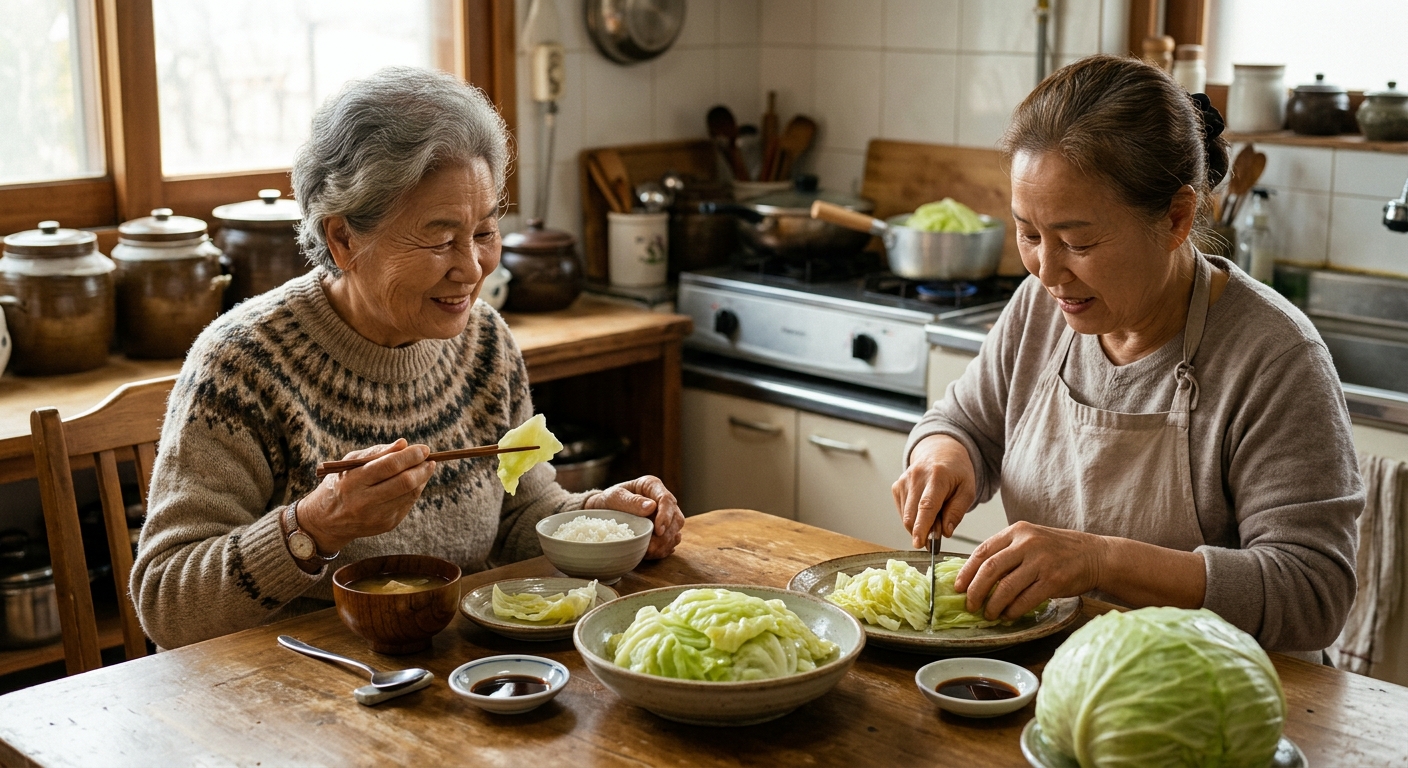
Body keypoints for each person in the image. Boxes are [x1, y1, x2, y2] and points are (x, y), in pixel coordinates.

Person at [131, 67, 683, 649]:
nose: (471, 269)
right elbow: (166, 603)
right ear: (343, 240)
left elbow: (521, 511)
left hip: (444, 673)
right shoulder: (244, 365)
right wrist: (314, 528)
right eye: (441, 238)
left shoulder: (484, 342)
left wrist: (604, 518)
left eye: (485, 231)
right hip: (299, 692)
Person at [892, 55, 1361, 659]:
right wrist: (941, 458)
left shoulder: (1275, 357)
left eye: (1079, 242)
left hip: (1220, 702)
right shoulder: (1040, 307)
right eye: (1029, 234)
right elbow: (961, 425)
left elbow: (1312, 594)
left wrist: (1100, 561)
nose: (1047, 270)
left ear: (1176, 218)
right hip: (1068, 675)